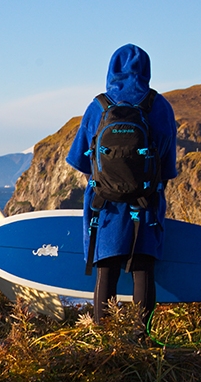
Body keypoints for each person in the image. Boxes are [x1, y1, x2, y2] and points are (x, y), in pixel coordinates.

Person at [66, 45, 178, 336]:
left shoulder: (99, 106)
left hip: (105, 208)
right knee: (143, 271)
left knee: (106, 272)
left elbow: (79, 159)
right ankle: (143, 338)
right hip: (147, 205)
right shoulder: (161, 107)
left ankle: (104, 340)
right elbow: (168, 169)